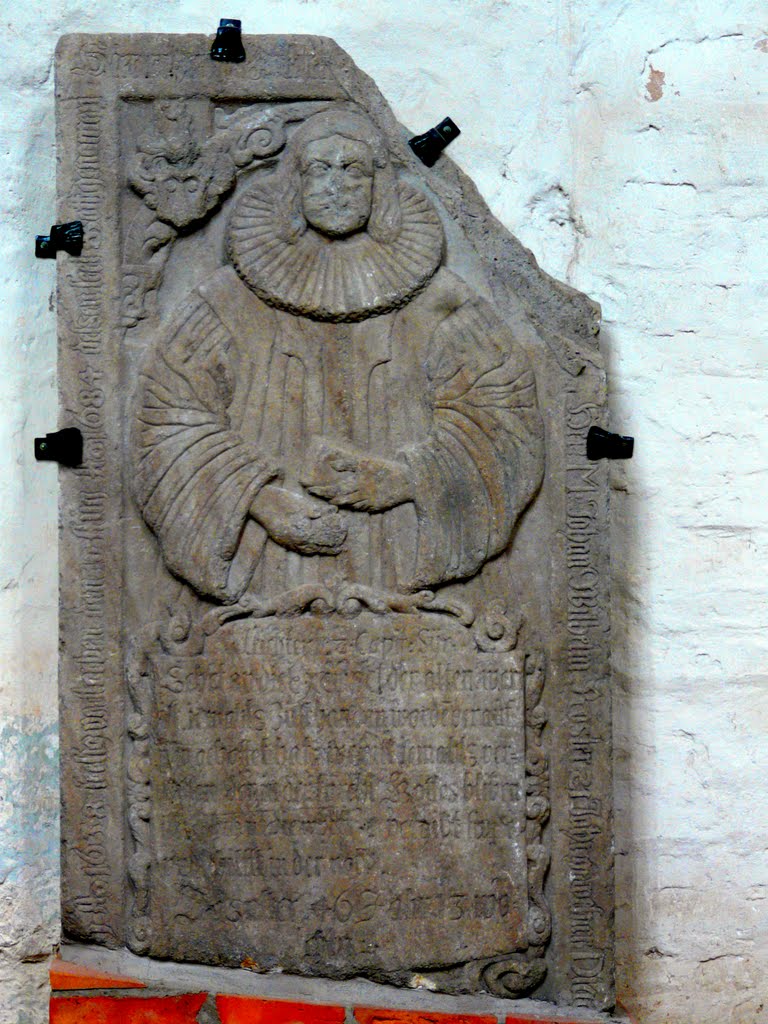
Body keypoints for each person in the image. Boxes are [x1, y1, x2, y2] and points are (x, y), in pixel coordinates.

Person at [132, 107, 545, 606]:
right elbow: (166, 418)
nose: (336, 185)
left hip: (396, 559)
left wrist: (406, 479)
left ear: (380, 186)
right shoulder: (226, 303)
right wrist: (257, 498)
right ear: (293, 184)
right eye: (320, 169)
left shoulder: (443, 304)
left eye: (352, 169)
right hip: (269, 567)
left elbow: (504, 422)